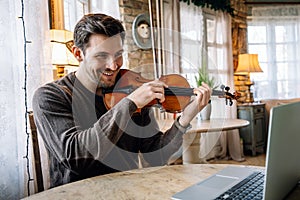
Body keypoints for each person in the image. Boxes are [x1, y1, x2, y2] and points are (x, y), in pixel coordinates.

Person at [32, 13, 211, 188]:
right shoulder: (50, 96)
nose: (113, 65)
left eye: (118, 54)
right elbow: (77, 158)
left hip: (128, 191)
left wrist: (184, 120)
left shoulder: (128, 87)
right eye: (101, 56)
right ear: (78, 54)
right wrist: (130, 104)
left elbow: (155, 156)